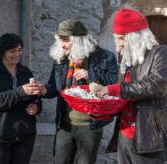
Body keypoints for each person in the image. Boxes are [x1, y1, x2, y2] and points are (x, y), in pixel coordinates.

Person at [96, 9, 167, 164]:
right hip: (124, 135)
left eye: (122, 38)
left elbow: (156, 86)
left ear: (136, 36)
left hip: (149, 137)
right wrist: (103, 110)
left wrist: (114, 89)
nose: (119, 44)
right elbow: (122, 96)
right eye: (117, 39)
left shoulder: (162, 53)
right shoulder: (129, 60)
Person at [37, 19, 118, 164]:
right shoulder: (61, 60)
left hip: (90, 125)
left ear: (80, 39)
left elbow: (113, 83)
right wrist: (44, 90)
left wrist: (90, 75)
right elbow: (54, 88)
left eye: (66, 40)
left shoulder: (104, 57)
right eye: (60, 40)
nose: (62, 44)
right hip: (65, 123)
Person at [0, 33, 42, 164]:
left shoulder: (26, 72)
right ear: (2, 53)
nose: (17, 54)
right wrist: (20, 92)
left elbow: (35, 98)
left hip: (24, 137)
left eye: (19, 50)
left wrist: (36, 107)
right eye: (12, 51)